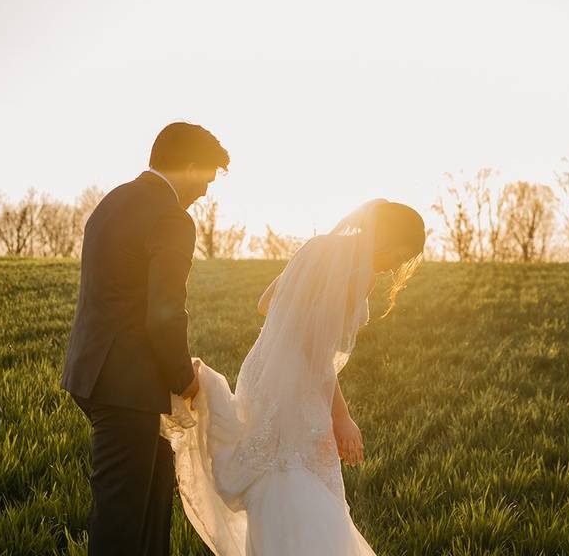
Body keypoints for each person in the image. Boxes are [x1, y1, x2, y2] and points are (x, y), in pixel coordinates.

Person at [162, 199, 426, 555]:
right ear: (388, 239)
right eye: (399, 255)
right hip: (299, 385)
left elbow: (266, 303)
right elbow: (318, 354)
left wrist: (290, 330)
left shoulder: (318, 248)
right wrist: (342, 417)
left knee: (275, 471)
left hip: (262, 374)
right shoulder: (358, 273)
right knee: (297, 473)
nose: (395, 266)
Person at [60, 121, 229, 556]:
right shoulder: (172, 218)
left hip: (95, 373)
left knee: (152, 500)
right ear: (189, 166)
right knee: (122, 520)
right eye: (207, 178)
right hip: (128, 385)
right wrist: (182, 378)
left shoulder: (112, 202)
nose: (206, 192)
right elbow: (164, 312)